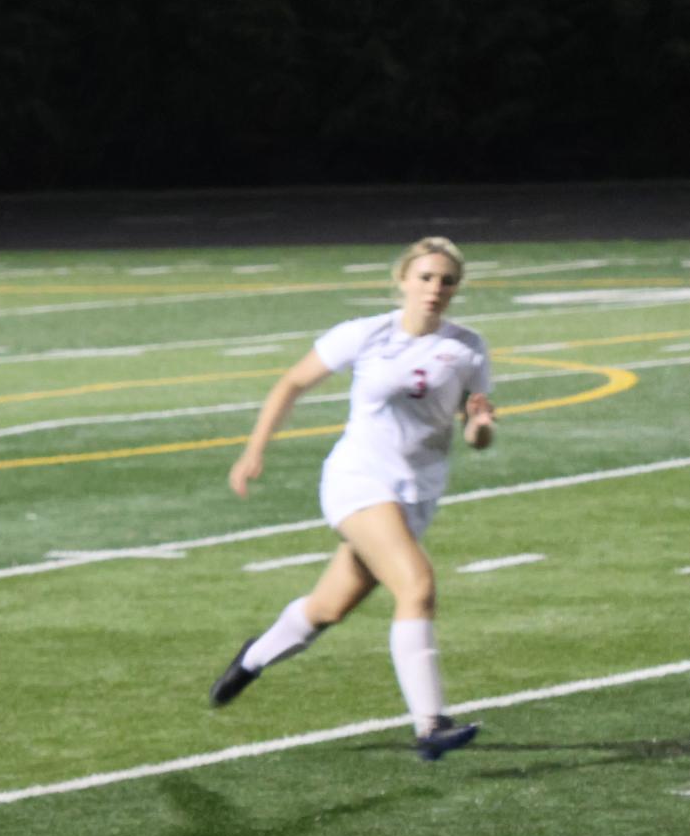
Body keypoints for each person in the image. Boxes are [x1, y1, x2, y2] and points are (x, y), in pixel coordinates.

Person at [210, 237, 498, 760]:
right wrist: (254, 451)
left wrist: (480, 425)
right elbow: (292, 382)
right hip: (359, 480)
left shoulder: (468, 347)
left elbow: (477, 436)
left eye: (447, 280)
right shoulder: (366, 335)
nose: (436, 289)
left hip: (416, 494)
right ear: (403, 281)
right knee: (418, 585)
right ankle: (431, 726)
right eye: (426, 277)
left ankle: (252, 658)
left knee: (328, 608)